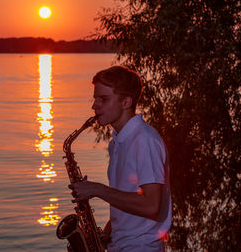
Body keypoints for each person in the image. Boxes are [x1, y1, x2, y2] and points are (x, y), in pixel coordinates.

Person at [69, 65, 171, 252]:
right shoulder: (117, 142)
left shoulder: (144, 140)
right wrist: (106, 233)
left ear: (126, 102)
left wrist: (98, 189)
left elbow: (151, 205)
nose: (94, 105)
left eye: (103, 99)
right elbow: (128, 198)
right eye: (95, 98)